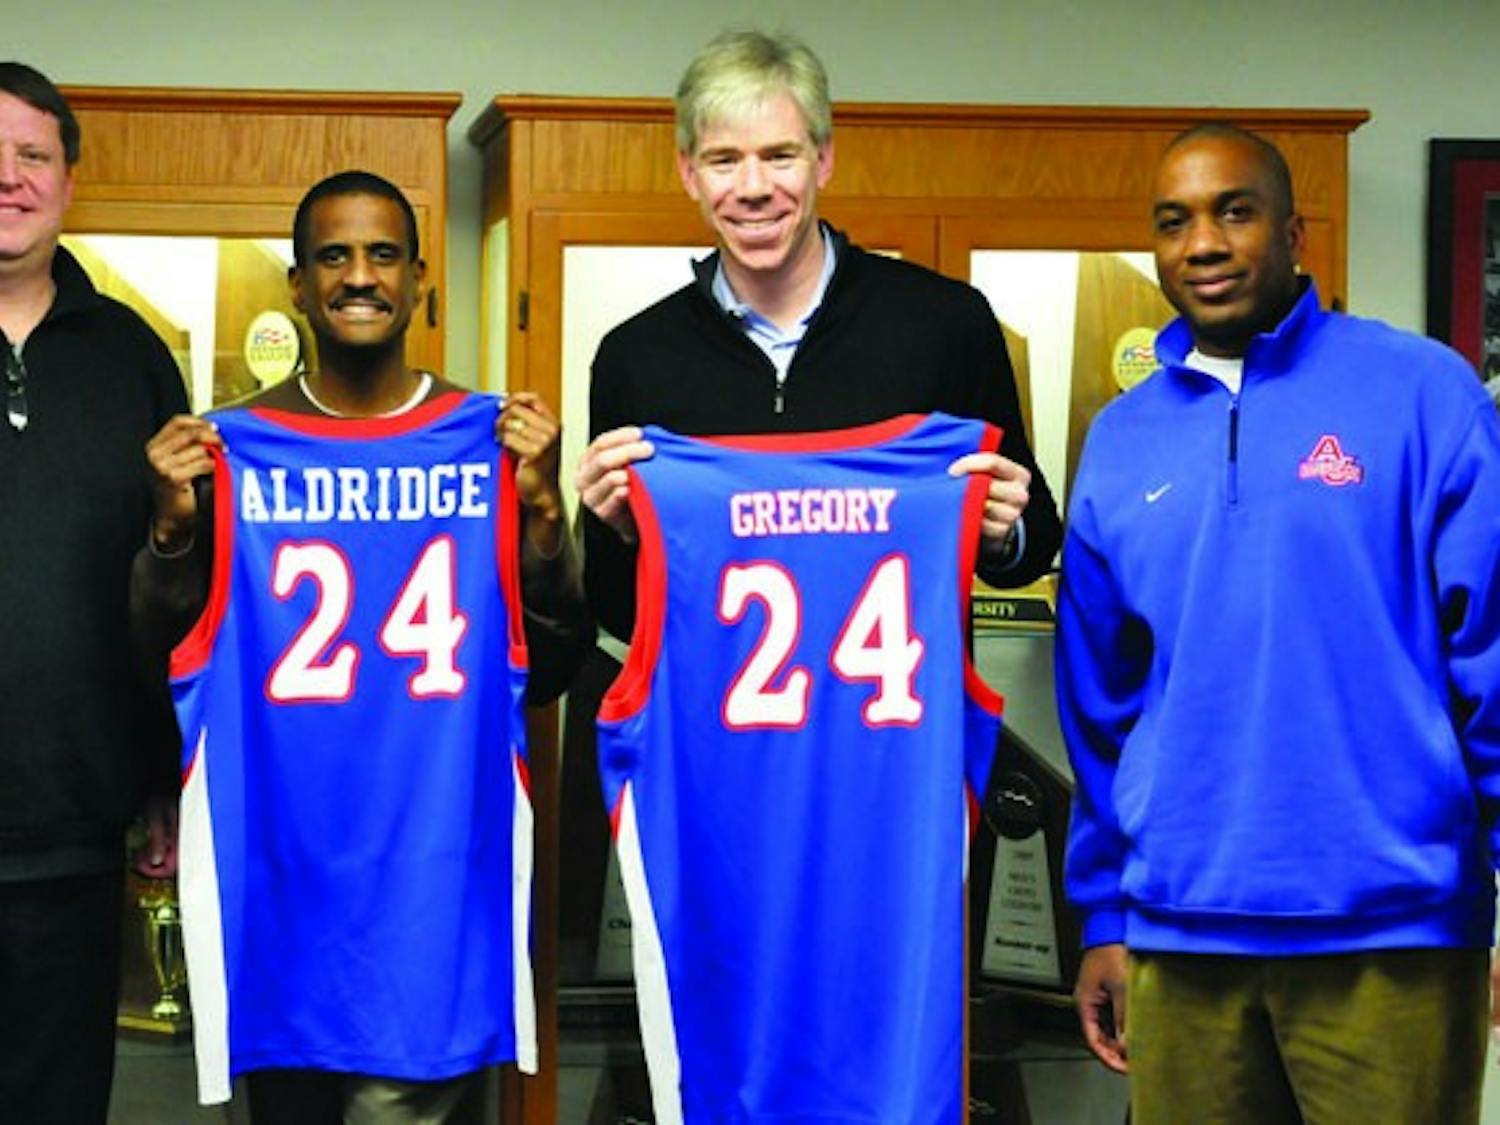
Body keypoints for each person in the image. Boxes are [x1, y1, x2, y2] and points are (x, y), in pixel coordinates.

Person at [1058, 123, 1500, 1123]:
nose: (1203, 243)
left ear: (1295, 231)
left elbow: (1493, 657)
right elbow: (1099, 708)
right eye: (1174, 222)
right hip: (1179, 936)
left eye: (1234, 211)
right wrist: (1102, 914)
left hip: (1393, 934)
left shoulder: (1423, 394)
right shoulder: (1123, 441)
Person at [132, 170, 589, 1123]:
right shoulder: (231, 451)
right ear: (297, 284)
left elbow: (549, 665)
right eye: (333, 256)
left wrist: (544, 512)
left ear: (419, 278)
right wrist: (174, 530)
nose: (359, 276)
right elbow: (162, 653)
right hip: (286, 885)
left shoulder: (491, 444)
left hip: (432, 888)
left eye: (383, 253)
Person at [577, 28, 1060, 644]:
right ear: (688, 172)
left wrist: (1004, 534)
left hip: (901, 734)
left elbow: (1034, 543)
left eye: (780, 155)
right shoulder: (635, 357)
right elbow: (620, 615)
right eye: (724, 160)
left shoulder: (947, 324)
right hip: (721, 735)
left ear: (824, 159)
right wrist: (619, 532)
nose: (753, 188)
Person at [0, 61, 187, 1124]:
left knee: (55, 1105)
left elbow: (175, 587)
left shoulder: (134, 358)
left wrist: (160, 775)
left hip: (75, 826)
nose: (10, 179)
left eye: (33, 155)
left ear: (70, 179)